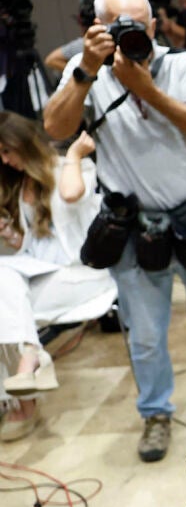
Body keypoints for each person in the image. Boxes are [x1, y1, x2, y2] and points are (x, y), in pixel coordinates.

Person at [43, 0, 186, 463]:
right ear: (98, 29)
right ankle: (155, 414)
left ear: (154, 25)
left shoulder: (181, 65)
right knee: (146, 336)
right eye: (121, 26)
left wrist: (146, 91)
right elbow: (55, 128)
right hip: (132, 226)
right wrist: (87, 69)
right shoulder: (85, 72)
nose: (136, 34)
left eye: (141, 24)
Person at [0, 115, 108, 441]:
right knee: (5, 285)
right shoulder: (20, 185)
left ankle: (24, 399)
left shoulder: (70, 167)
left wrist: (73, 155)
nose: (5, 160)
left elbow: (71, 194)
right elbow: (31, 245)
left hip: (82, 274)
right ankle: (30, 361)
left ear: (23, 143)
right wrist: (10, 234)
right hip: (40, 274)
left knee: (5, 295)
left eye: (7, 151)